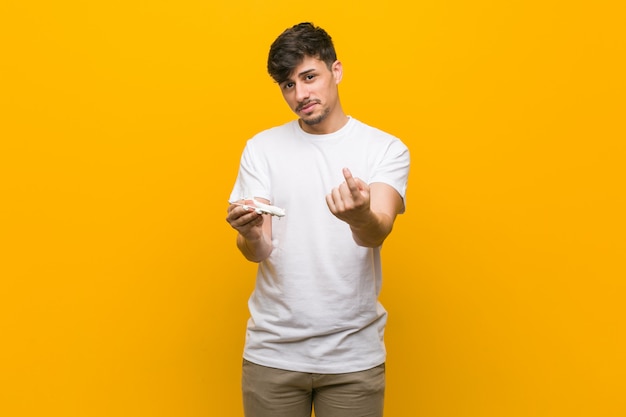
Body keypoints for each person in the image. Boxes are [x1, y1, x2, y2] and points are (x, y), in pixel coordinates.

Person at [225, 22, 410, 417]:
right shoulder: (262, 149)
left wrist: (359, 216)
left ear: (336, 71)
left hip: (352, 359)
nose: (300, 94)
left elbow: (378, 229)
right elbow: (258, 251)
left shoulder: (385, 149)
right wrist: (251, 233)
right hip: (272, 355)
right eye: (288, 85)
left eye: (309, 77)